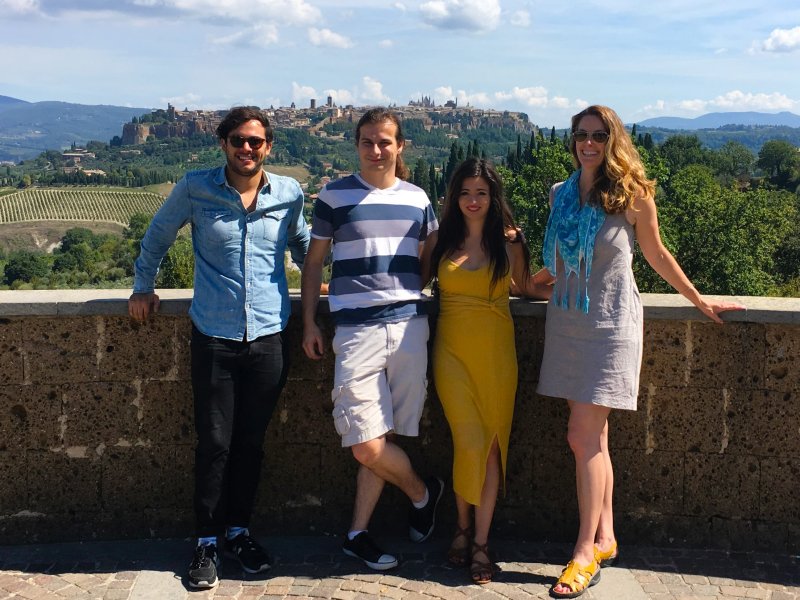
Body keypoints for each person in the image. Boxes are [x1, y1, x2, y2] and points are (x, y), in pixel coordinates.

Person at [536, 105, 744, 598]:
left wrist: (698, 299)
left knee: (579, 436)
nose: (588, 143)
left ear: (613, 139)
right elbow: (560, 261)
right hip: (567, 322)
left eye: (598, 135)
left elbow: (657, 255)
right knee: (595, 438)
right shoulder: (559, 195)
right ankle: (606, 537)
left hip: (609, 325)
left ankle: (583, 552)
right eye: (580, 135)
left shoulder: (632, 196)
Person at [128, 106, 311, 589]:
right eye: (238, 140)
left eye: (256, 141)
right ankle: (206, 541)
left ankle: (238, 532)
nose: (246, 148)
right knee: (214, 446)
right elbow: (157, 236)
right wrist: (143, 285)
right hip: (214, 336)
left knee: (251, 444)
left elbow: (304, 245)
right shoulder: (195, 187)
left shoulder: (288, 193)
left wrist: (334, 278)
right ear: (223, 144)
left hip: (269, 336)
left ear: (269, 146)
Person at [301, 108, 443, 571]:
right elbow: (314, 263)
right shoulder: (333, 195)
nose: (376, 150)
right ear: (357, 145)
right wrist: (308, 323)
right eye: (367, 142)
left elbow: (429, 259)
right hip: (356, 331)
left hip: (408, 328)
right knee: (366, 442)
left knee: (384, 435)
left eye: (385, 142)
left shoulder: (418, 198)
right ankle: (424, 493)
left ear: (400, 147)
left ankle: (356, 535)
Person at [420, 158, 551, 584]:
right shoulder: (439, 240)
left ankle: (478, 541)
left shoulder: (509, 242)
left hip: (497, 355)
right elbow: (409, 284)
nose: (473, 201)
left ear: (493, 197)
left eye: (481, 192)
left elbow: (528, 287)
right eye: (465, 193)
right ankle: (461, 528)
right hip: (451, 353)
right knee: (468, 440)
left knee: (492, 444)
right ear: (454, 197)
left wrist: (587, 282)